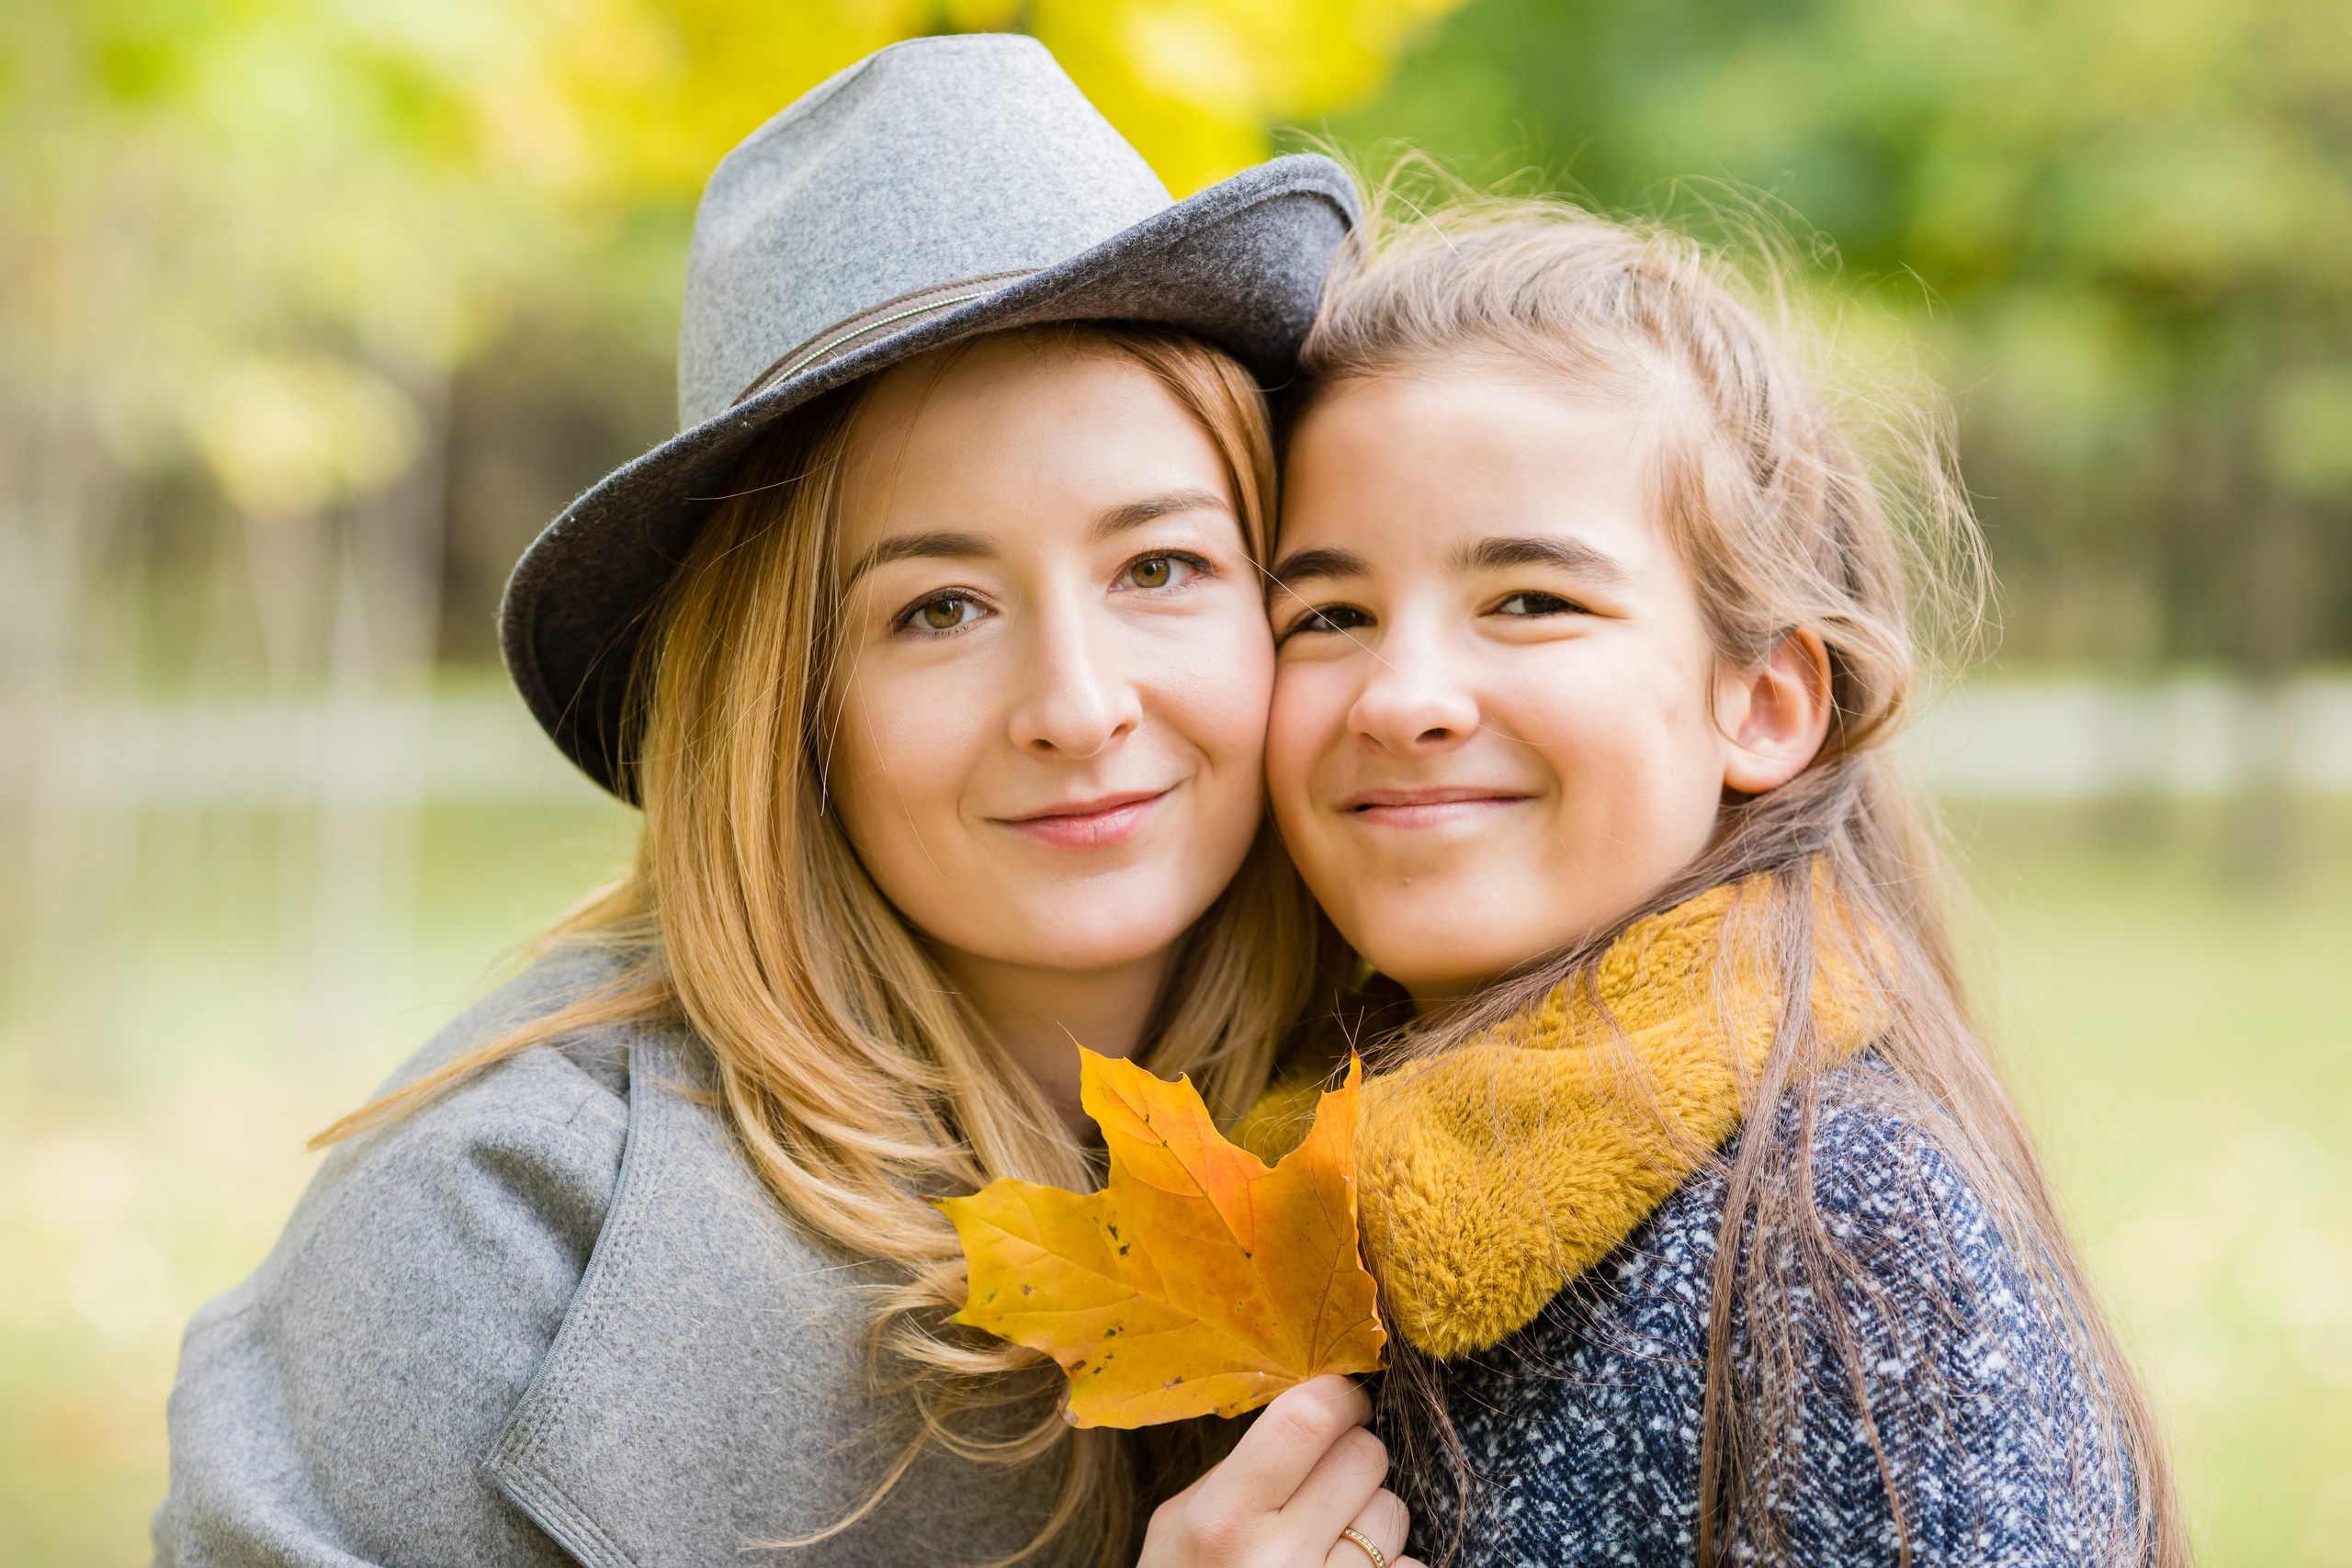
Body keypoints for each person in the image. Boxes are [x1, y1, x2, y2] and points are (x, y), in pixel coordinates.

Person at [149, 37, 1418, 1568]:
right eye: (937, 609)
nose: (1078, 706)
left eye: (1159, 569)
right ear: (782, 709)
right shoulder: (494, 1240)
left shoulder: (1434, 1099)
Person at [1239, 196, 2188, 1565]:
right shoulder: (1302, 1187)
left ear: (1760, 702)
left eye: (1530, 600)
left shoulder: (1841, 1243)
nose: (1404, 696)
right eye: (1328, 615)